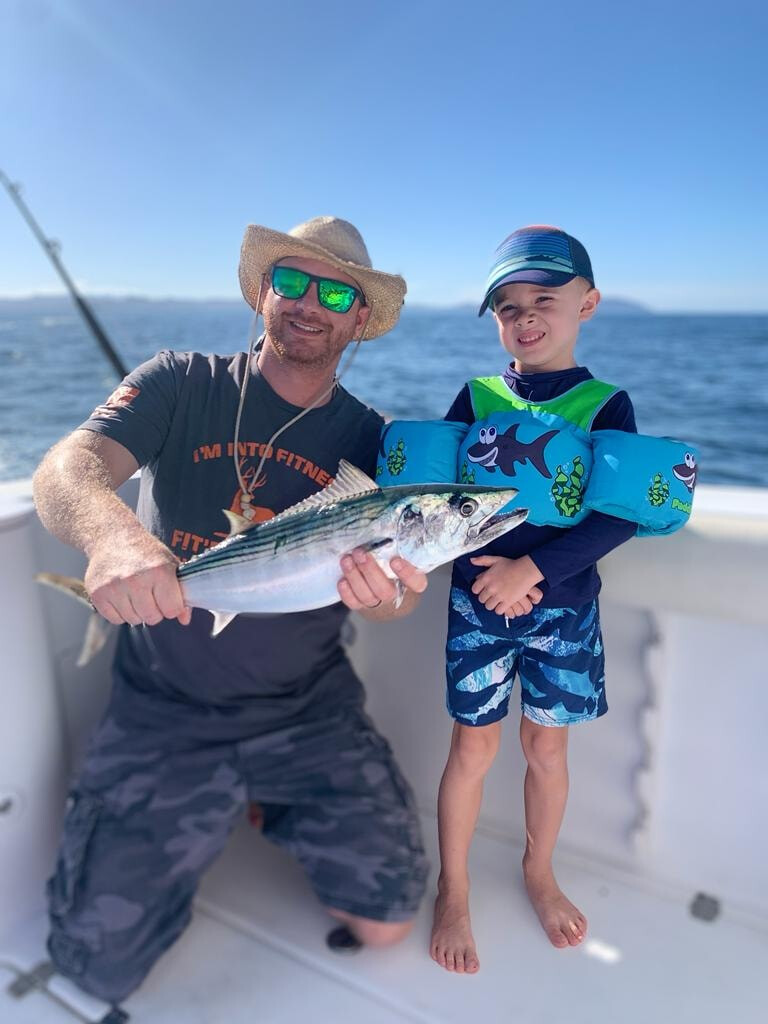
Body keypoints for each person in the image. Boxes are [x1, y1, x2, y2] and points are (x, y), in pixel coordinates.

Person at [32, 216, 430, 1006]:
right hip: (166, 712)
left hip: (308, 711)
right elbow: (64, 468)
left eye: (336, 290)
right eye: (290, 281)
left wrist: (389, 599)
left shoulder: (373, 439)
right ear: (261, 294)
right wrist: (114, 540)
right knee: (93, 967)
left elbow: (392, 598)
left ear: (360, 318)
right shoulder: (182, 381)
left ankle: (253, 803)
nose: (308, 302)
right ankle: (218, 805)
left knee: (385, 921)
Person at [429, 225, 638, 974]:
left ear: (588, 304)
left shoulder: (605, 404)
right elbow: (436, 495)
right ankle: (452, 888)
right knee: (473, 747)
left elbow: (617, 512)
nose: (525, 316)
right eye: (507, 305)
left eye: (544, 299)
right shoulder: (476, 397)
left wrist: (533, 572)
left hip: (566, 612)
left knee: (546, 747)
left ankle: (537, 871)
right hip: (475, 606)